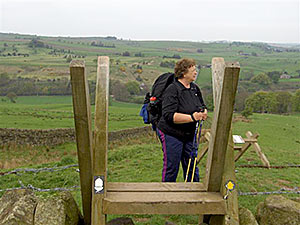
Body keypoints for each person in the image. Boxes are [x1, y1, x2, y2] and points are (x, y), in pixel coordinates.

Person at [156, 58, 207, 182]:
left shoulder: (194, 89)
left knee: (192, 167)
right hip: (171, 133)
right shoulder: (172, 89)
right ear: (184, 73)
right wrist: (192, 117)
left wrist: (203, 112)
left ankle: (193, 196)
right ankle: (167, 197)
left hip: (189, 134)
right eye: (193, 70)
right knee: (172, 167)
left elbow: (201, 105)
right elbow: (169, 115)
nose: (196, 73)